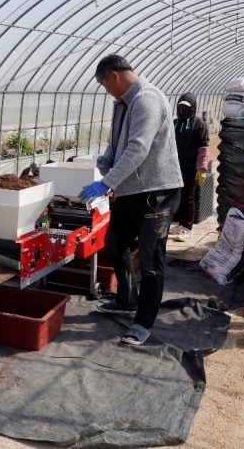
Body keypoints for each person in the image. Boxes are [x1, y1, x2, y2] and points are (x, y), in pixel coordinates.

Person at [79, 54, 183, 346]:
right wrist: (105, 160)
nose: (104, 90)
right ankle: (126, 299)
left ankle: (143, 323)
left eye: (103, 84)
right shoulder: (122, 103)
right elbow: (118, 143)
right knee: (115, 243)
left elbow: (138, 148)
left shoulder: (147, 99)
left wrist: (106, 183)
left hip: (156, 194)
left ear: (114, 75)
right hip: (130, 192)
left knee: (151, 261)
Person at [170, 92, 210, 242]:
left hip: (190, 166)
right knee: (176, 195)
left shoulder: (199, 124)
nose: (183, 110)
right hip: (175, 166)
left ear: (193, 108)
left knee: (188, 196)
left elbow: (203, 148)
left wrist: (201, 169)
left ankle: (187, 227)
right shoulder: (175, 123)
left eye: (186, 107)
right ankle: (180, 223)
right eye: (180, 107)